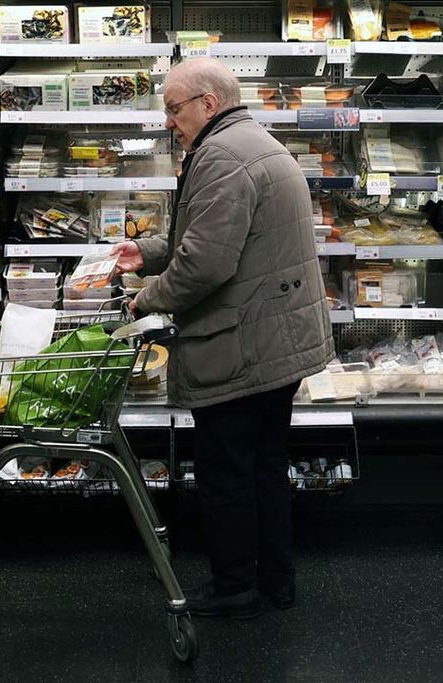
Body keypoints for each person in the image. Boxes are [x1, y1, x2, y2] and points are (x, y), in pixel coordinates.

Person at [112, 58, 334, 618]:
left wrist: (147, 296)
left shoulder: (221, 155)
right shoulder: (252, 141)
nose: (168, 121)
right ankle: (274, 583)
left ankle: (237, 586)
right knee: (263, 464)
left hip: (244, 343)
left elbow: (206, 263)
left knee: (227, 471)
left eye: (173, 108)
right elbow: (208, 229)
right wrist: (149, 250)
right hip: (274, 336)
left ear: (208, 103)